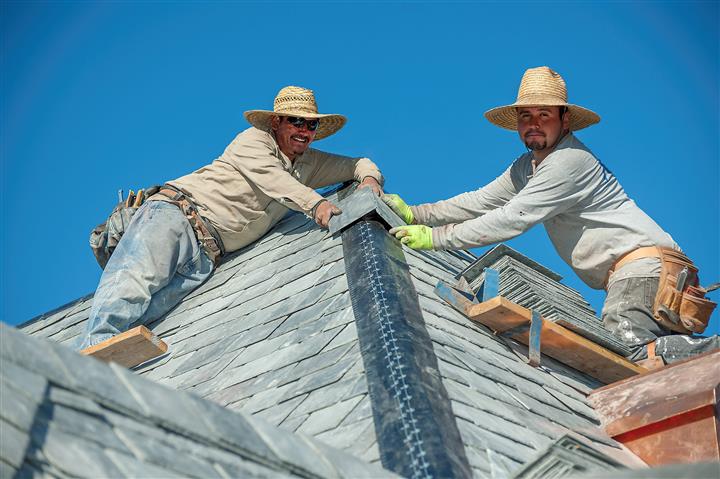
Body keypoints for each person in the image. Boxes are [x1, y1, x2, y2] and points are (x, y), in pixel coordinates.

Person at [385, 67, 718, 365]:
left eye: (544, 114)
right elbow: (481, 201)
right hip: (654, 273)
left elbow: (511, 218)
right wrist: (415, 214)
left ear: (565, 120)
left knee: (630, 354)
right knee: (659, 374)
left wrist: (437, 239)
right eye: (526, 115)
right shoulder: (527, 167)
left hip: (643, 272)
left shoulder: (569, 161)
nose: (534, 123)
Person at [79, 86, 384, 350]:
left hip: (206, 256)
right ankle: (93, 347)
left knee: (148, 311)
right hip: (178, 217)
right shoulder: (252, 141)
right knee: (134, 282)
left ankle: (109, 356)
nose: (304, 131)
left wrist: (369, 181)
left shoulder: (309, 164)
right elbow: (275, 181)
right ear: (276, 122)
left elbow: (359, 164)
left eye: (311, 125)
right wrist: (316, 204)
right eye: (296, 121)